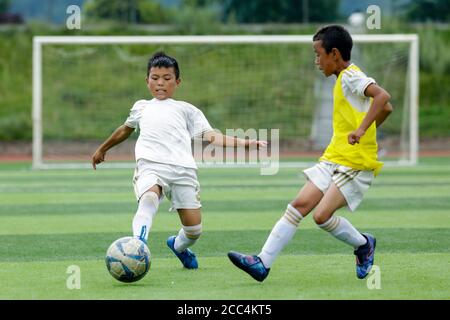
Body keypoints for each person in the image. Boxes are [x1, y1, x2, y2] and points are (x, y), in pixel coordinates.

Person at [228, 25, 393, 282]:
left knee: (321, 216)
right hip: (333, 156)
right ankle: (262, 263)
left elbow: (383, 97)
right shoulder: (344, 78)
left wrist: (361, 131)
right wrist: (365, 130)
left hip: (354, 163)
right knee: (298, 207)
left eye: (319, 54)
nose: (316, 61)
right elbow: (387, 109)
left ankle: (363, 244)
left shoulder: (351, 76)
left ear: (335, 54)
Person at [92, 52, 266, 270]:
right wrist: (102, 148)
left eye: (167, 78)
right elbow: (124, 130)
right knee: (149, 198)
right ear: (147, 81)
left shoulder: (187, 110)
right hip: (151, 165)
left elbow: (212, 136)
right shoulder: (141, 107)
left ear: (177, 81)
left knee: (194, 231)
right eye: (155, 78)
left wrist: (245, 143)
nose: (160, 83)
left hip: (184, 170)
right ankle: (138, 246)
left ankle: (179, 246)